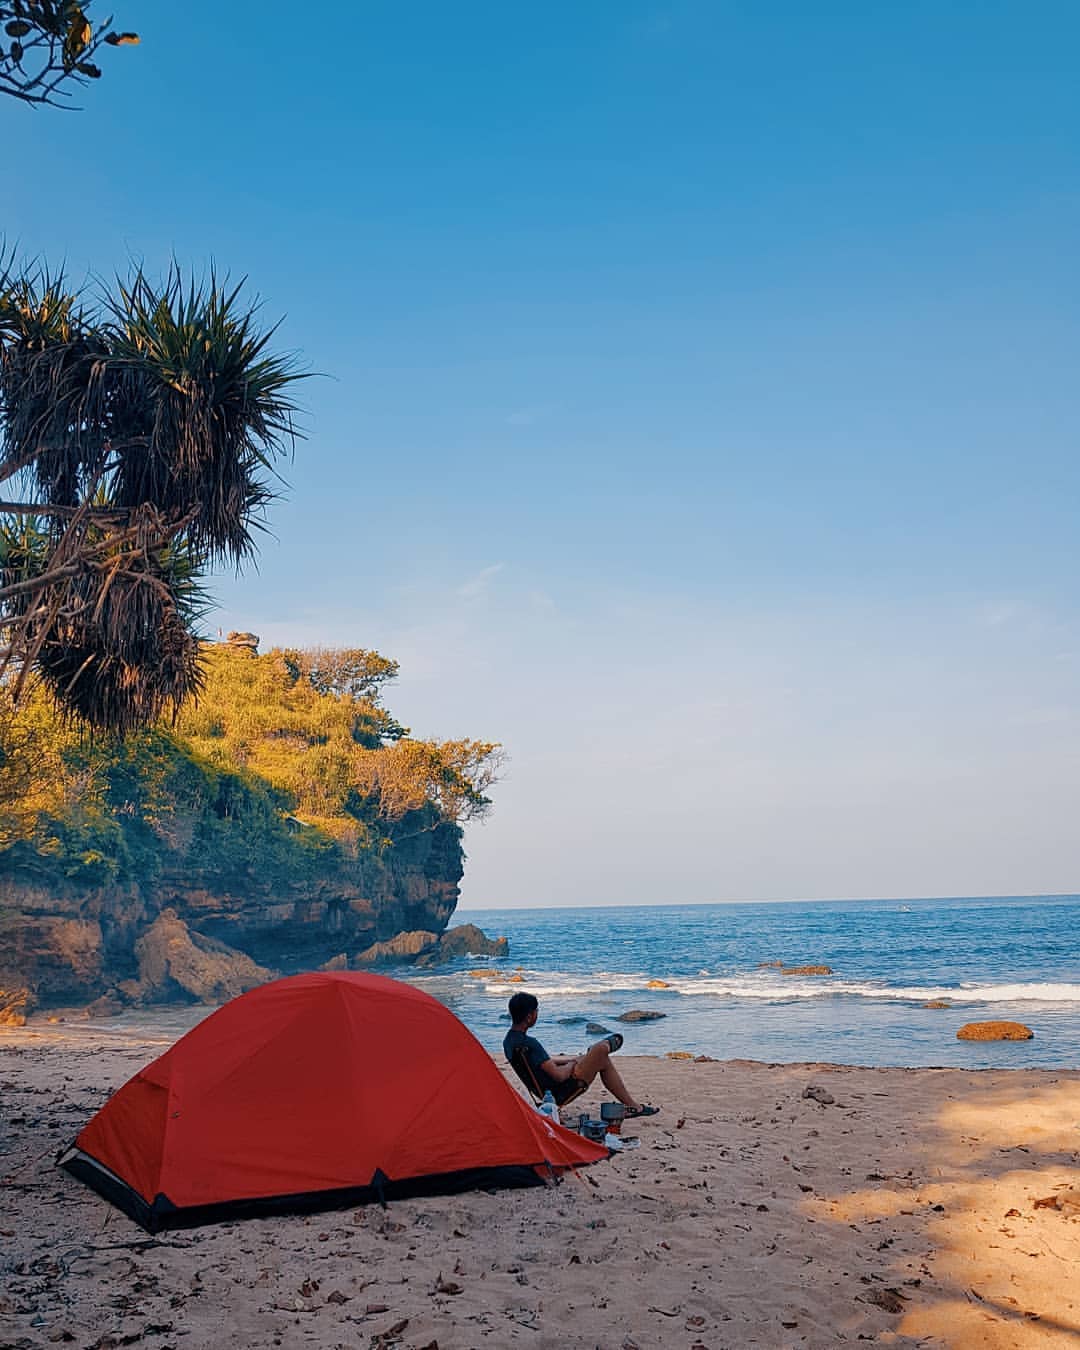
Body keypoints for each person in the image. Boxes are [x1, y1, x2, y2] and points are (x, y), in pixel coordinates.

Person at [503, 991, 659, 1115]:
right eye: (536, 1011)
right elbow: (559, 1075)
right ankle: (602, 1049)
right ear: (529, 1016)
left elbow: (542, 1065)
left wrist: (569, 1060)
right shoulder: (531, 1043)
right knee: (601, 1050)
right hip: (562, 1089)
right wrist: (572, 1064)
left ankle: (632, 1105)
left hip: (545, 1089)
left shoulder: (509, 1041)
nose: (537, 1013)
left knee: (597, 1057)